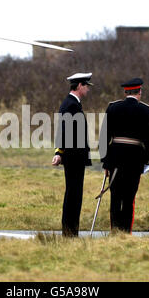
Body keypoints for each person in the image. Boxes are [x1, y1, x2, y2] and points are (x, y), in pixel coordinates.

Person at [99, 78, 149, 234]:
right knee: (129, 198)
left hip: (115, 159)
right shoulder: (146, 110)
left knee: (115, 197)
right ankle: (126, 232)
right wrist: (146, 161)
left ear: (125, 92)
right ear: (140, 92)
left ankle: (115, 231)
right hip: (134, 160)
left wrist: (105, 161)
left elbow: (104, 137)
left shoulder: (113, 107)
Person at [52, 72, 93, 237]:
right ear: (80, 86)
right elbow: (65, 132)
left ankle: (70, 231)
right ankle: (70, 232)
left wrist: (59, 152)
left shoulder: (71, 103)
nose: (88, 89)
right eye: (87, 86)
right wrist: (60, 152)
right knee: (74, 195)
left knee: (73, 194)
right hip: (74, 157)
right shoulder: (71, 105)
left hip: (72, 156)